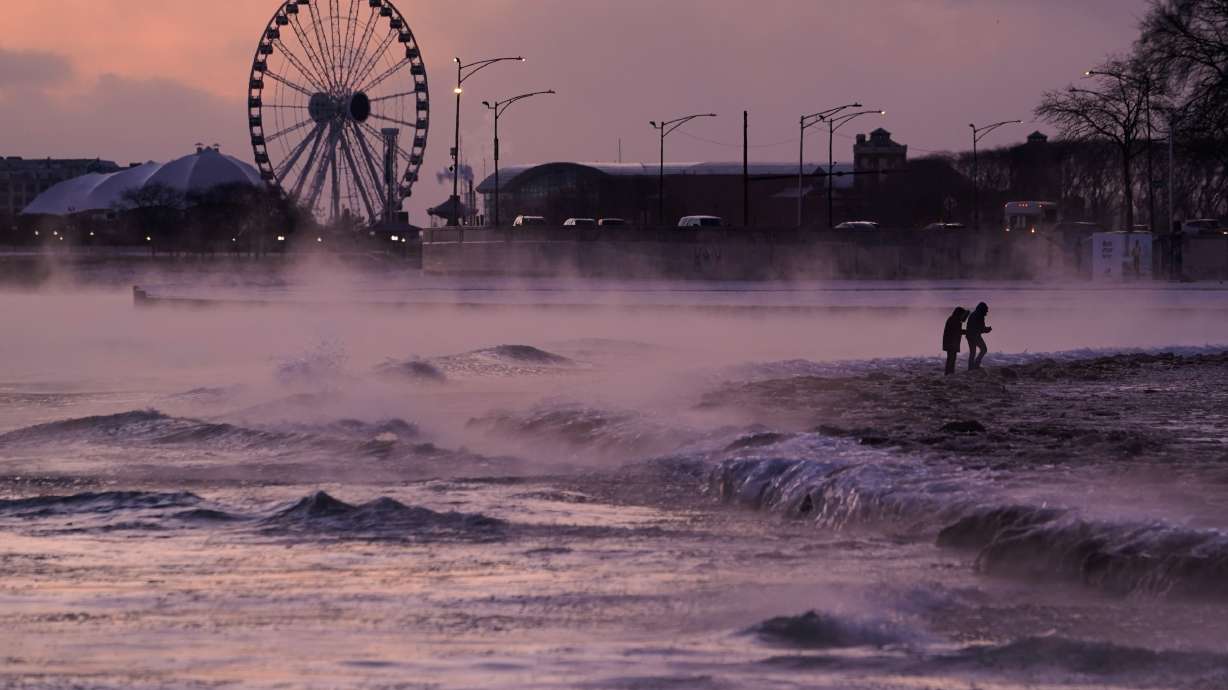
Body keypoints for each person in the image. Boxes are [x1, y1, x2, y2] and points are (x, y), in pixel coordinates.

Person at [966, 302, 992, 370]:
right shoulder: (980, 316)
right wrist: (987, 330)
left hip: (969, 335)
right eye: (986, 310)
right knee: (984, 349)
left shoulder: (973, 314)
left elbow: (978, 327)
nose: (987, 312)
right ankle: (976, 365)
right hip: (975, 336)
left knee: (972, 352)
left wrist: (985, 329)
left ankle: (970, 368)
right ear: (983, 309)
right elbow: (981, 328)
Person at [942, 307, 968, 376]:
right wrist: (968, 332)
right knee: (951, 359)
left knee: (951, 359)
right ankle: (948, 374)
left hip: (950, 343)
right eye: (963, 314)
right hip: (951, 343)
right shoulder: (955, 320)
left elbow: (957, 331)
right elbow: (958, 331)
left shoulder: (954, 319)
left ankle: (949, 373)